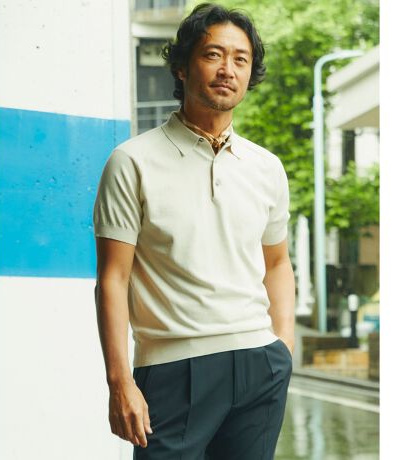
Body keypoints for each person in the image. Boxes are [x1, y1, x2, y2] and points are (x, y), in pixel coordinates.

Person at [93, 3, 295, 459]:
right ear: (182, 67)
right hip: (172, 368)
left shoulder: (266, 167)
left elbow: (277, 262)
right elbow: (113, 279)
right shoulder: (132, 161)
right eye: (213, 54)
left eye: (240, 59)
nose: (228, 69)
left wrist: (283, 346)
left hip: (259, 363)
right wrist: (119, 380)